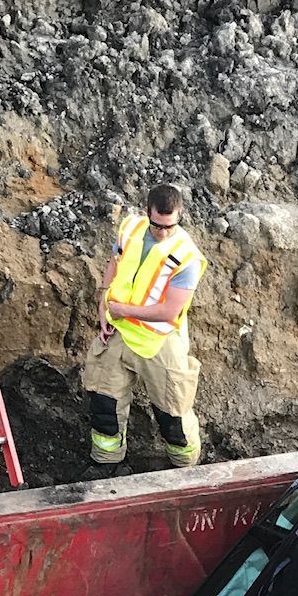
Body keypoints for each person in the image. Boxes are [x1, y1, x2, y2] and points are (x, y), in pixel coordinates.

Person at [83, 185, 208, 469]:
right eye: (157, 225)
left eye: (170, 226)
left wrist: (121, 310)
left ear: (179, 217)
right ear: (146, 212)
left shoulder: (186, 256)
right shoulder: (131, 228)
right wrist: (104, 305)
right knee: (105, 405)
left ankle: (185, 468)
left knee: (172, 415)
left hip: (158, 341)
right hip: (118, 331)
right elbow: (114, 264)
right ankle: (106, 463)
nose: (163, 232)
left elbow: (170, 310)